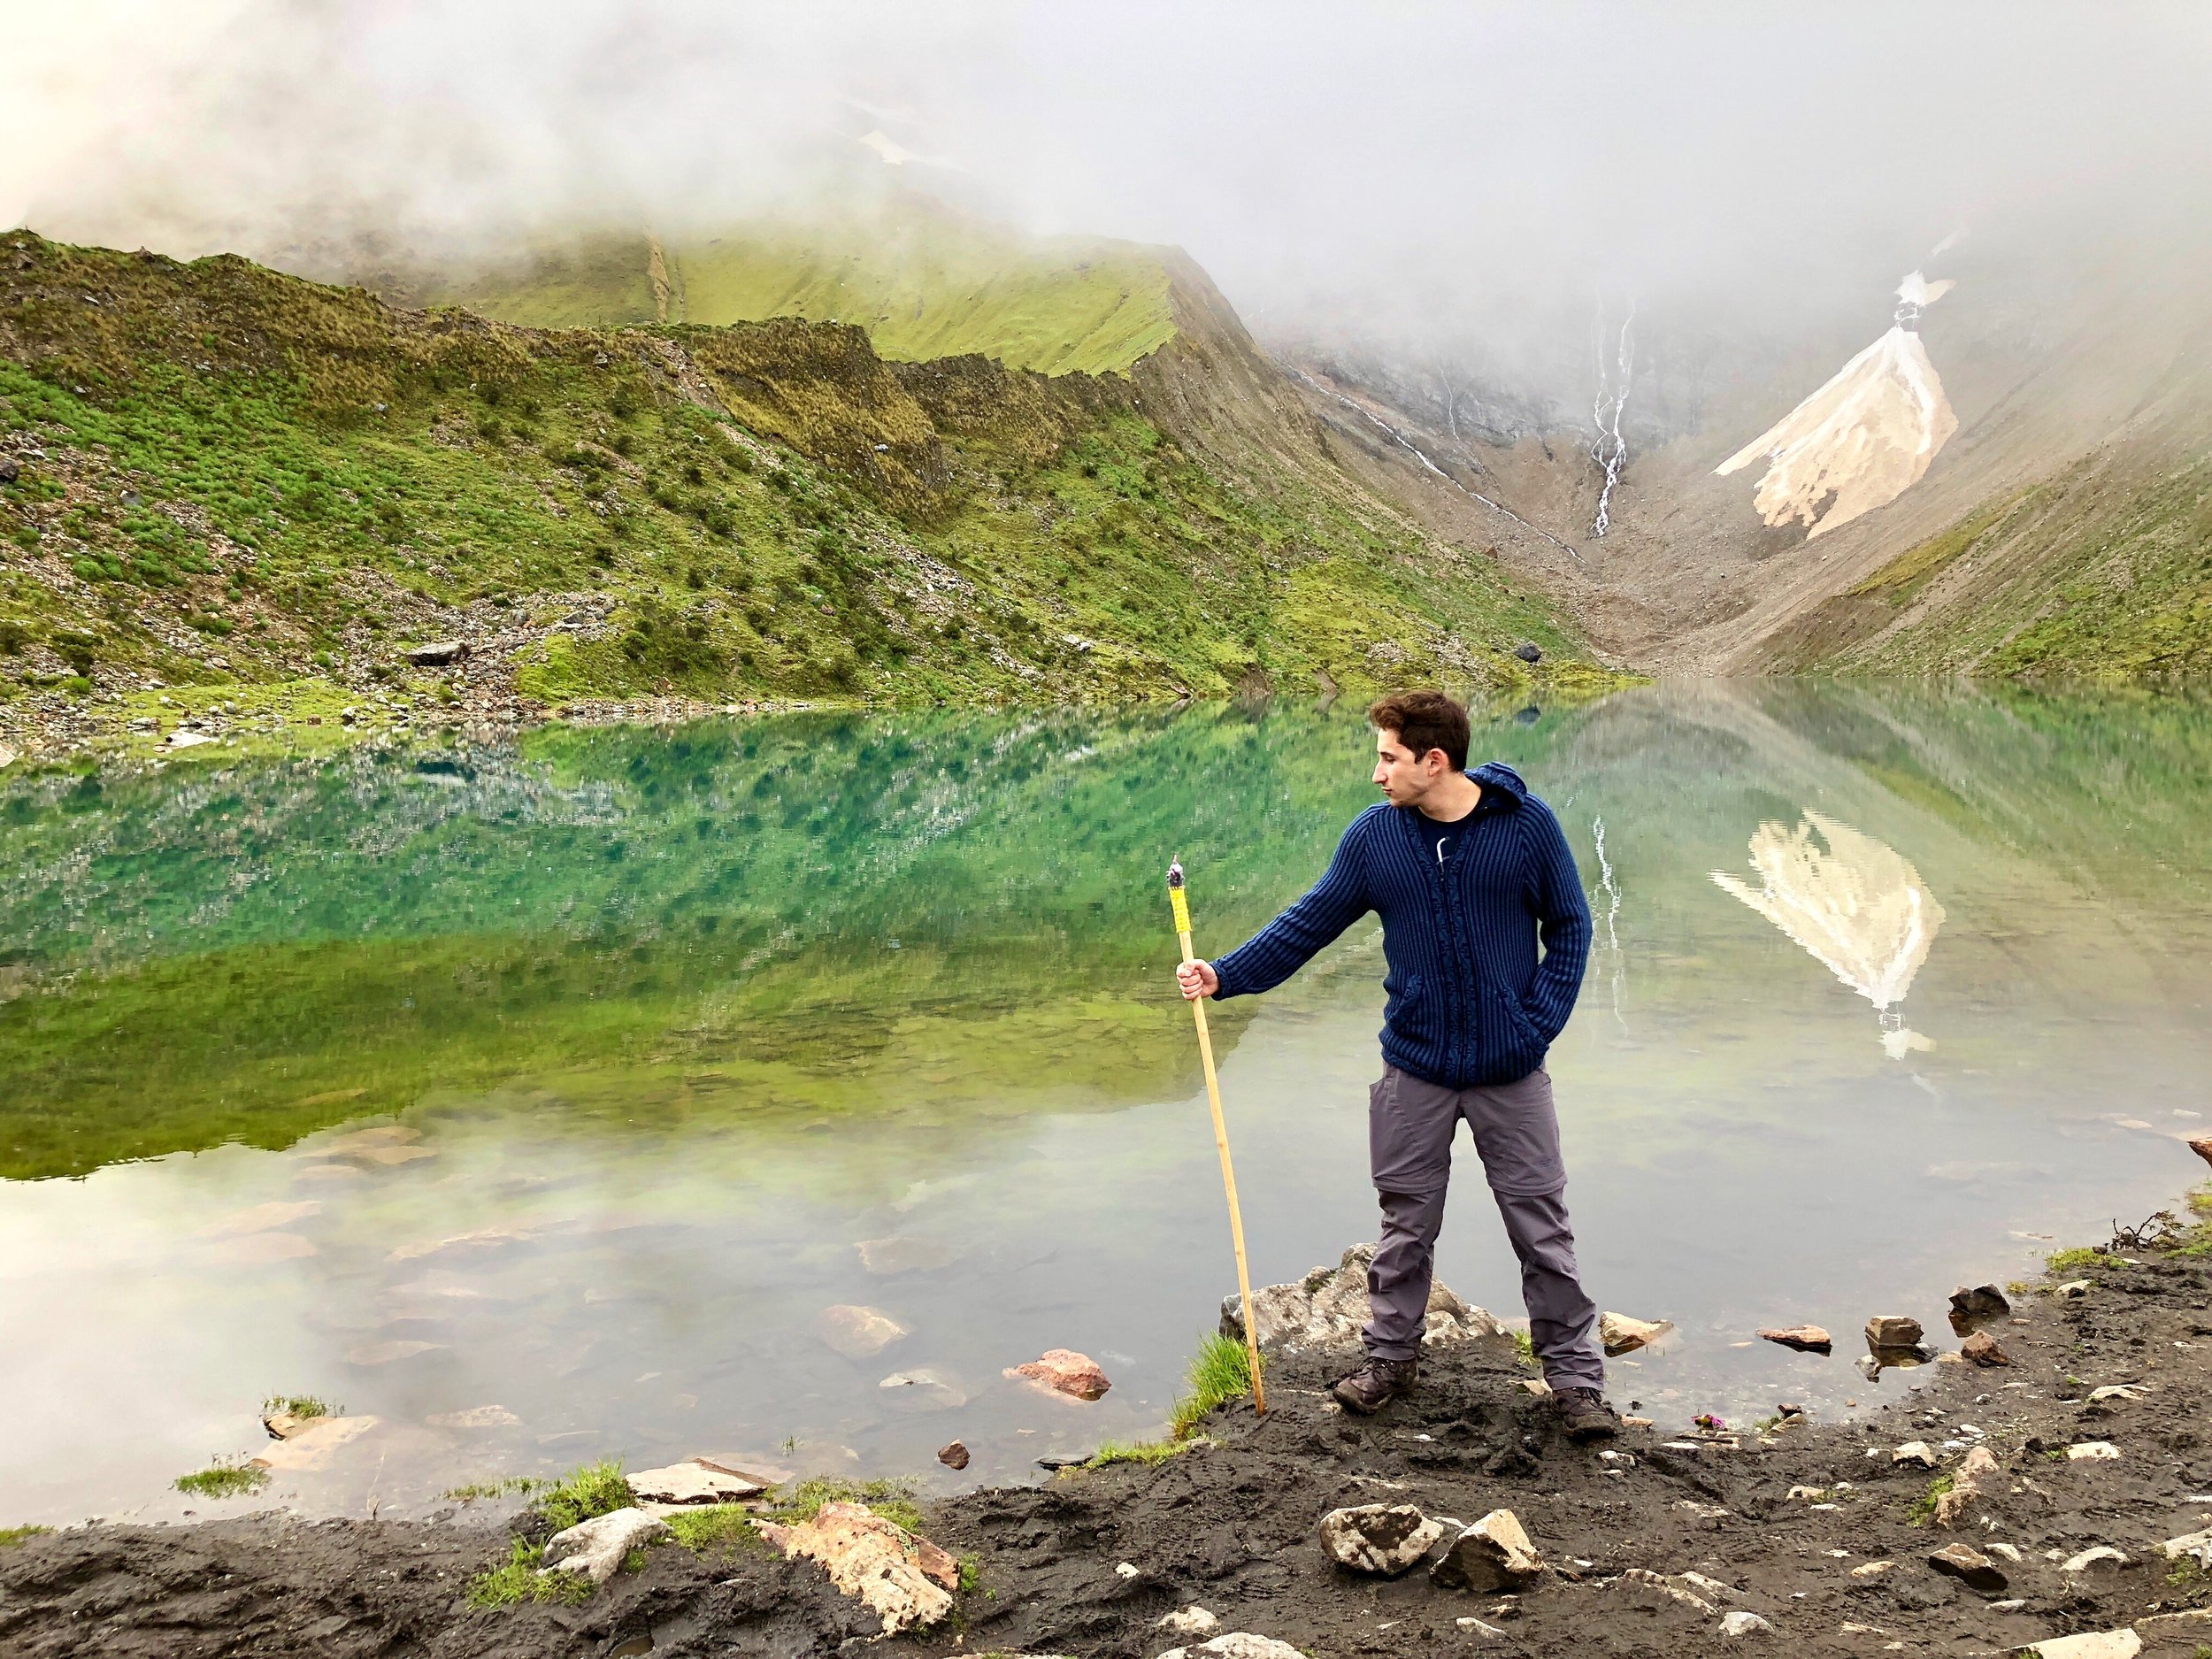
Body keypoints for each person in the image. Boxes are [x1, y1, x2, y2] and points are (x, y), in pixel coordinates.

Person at [1175, 689, 1616, 1440]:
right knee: (1405, 1223)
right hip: (1414, 1066)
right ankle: (1391, 1358)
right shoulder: (1375, 839)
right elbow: (1310, 921)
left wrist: (1534, 1025)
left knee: (1541, 1227)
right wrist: (1225, 974)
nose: (1377, 773)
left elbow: (1570, 926)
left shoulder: (1526, 827)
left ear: (1433, 760)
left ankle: (1574, 1381)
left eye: (1388, 757)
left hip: (1511, 1070)